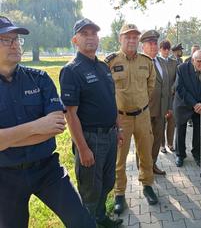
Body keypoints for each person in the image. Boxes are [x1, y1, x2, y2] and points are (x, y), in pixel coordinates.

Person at [0, 16, 96, 228]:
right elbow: (43, 127)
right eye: (6, 40)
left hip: (47, 169)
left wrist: (6, 137)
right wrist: (36, 127)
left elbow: (56, 126)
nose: (15, 44)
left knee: (82, 221)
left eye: (17, 39)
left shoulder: (40, 78)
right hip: (5, 176)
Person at [59, 18, 122, 228]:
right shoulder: (71, 70)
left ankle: (101, 217)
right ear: (75, 40)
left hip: (111, 135)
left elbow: (111, 99)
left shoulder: (103, 67)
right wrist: (83, 148)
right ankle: (89, 223)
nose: (91, 37)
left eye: (94, 33)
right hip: (91, 139)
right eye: (85, 33)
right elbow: (70, 115)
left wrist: (118, 129)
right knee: (90, 190)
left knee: (107, 182)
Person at [105, 24, 158, 214]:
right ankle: (119, 193)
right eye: (128, 37)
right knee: (120, 157)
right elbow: (105, 90)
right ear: (120, 39)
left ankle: (148, 185)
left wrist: (142, 102)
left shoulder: (146, 61)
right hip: (121, 118)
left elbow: (151, 85)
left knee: (146, 152)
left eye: (135, 37)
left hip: (143, 115)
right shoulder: (110, 62)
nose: (132, 40)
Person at [174, 50, 201, 167]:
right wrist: (194, 104)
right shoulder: (182, 68)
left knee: (199, 130)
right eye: (199, 61)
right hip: (183, 104)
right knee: (181, 129)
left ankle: (198, 155)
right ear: (193, 61)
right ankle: (180, 155)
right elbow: (180, 88)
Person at [140, 30, 170, 175]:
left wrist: (168, 107)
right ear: (142, 47)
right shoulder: (139, 63)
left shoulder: (161, 62)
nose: (153, 46)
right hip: (145, 111)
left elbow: (167, 86)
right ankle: (143, 168)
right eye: (149, 43)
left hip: (160, 110)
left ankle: (153, 164)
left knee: (157, 139)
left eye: (155, 43)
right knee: (144, 141)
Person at [158, 40, 177, 153]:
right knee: (161, 122)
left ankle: (170, 143)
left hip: (172, 96)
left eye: (168, 49)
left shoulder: (174, 62)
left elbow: (177, 78)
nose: (166, 51)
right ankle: (162, 145)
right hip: (161, 97)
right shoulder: (156, 61)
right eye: (164, 48)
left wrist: (173, 87)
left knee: (172, 121)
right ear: (160, 49)